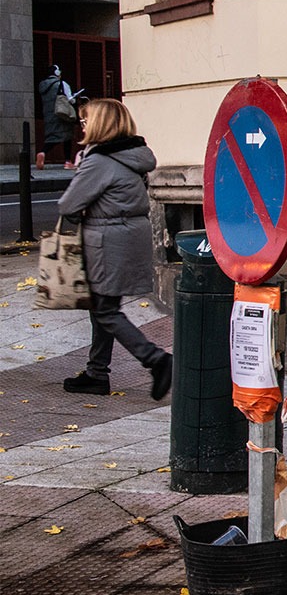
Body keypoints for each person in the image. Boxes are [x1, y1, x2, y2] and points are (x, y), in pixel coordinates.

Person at [55, 98, 172, 399]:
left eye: (85, 120)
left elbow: (69, 204)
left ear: (100, 124)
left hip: (107, 239)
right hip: (129, 234)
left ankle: (156, 360)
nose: (82, 126)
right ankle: (96, 373)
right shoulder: (133, 155)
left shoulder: (99, 160)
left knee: (105, 310)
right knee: (103, 306)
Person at [36, 65, 79, 169]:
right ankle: (68, 162)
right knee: (67, 137)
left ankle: (42, 152)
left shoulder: (43, 86)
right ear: (57, 73)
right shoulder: (61, 84)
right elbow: (70, 99)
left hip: (49, 116)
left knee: (52, 137)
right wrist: (74, 98)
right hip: (62, 114)